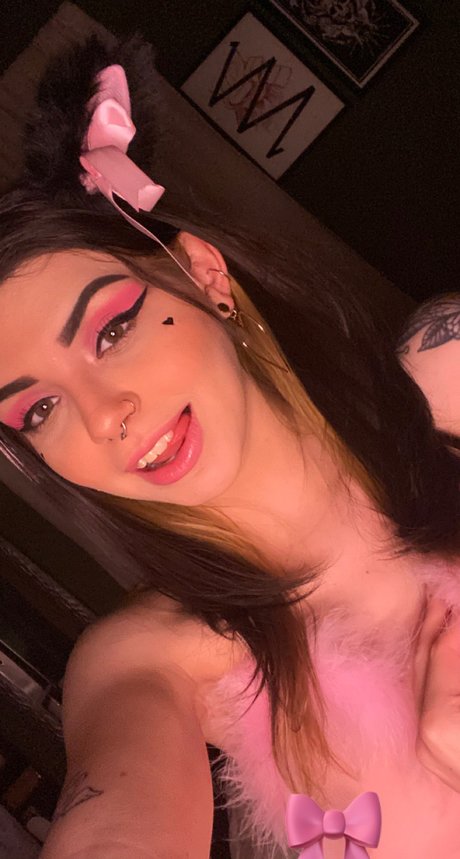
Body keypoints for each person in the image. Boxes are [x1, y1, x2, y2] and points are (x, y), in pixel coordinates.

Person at [0, 33, 459, 859]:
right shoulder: (151, 658)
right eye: (39, 410)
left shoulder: (448, 374)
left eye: (111, 330)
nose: (105, 416)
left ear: (204, 276)